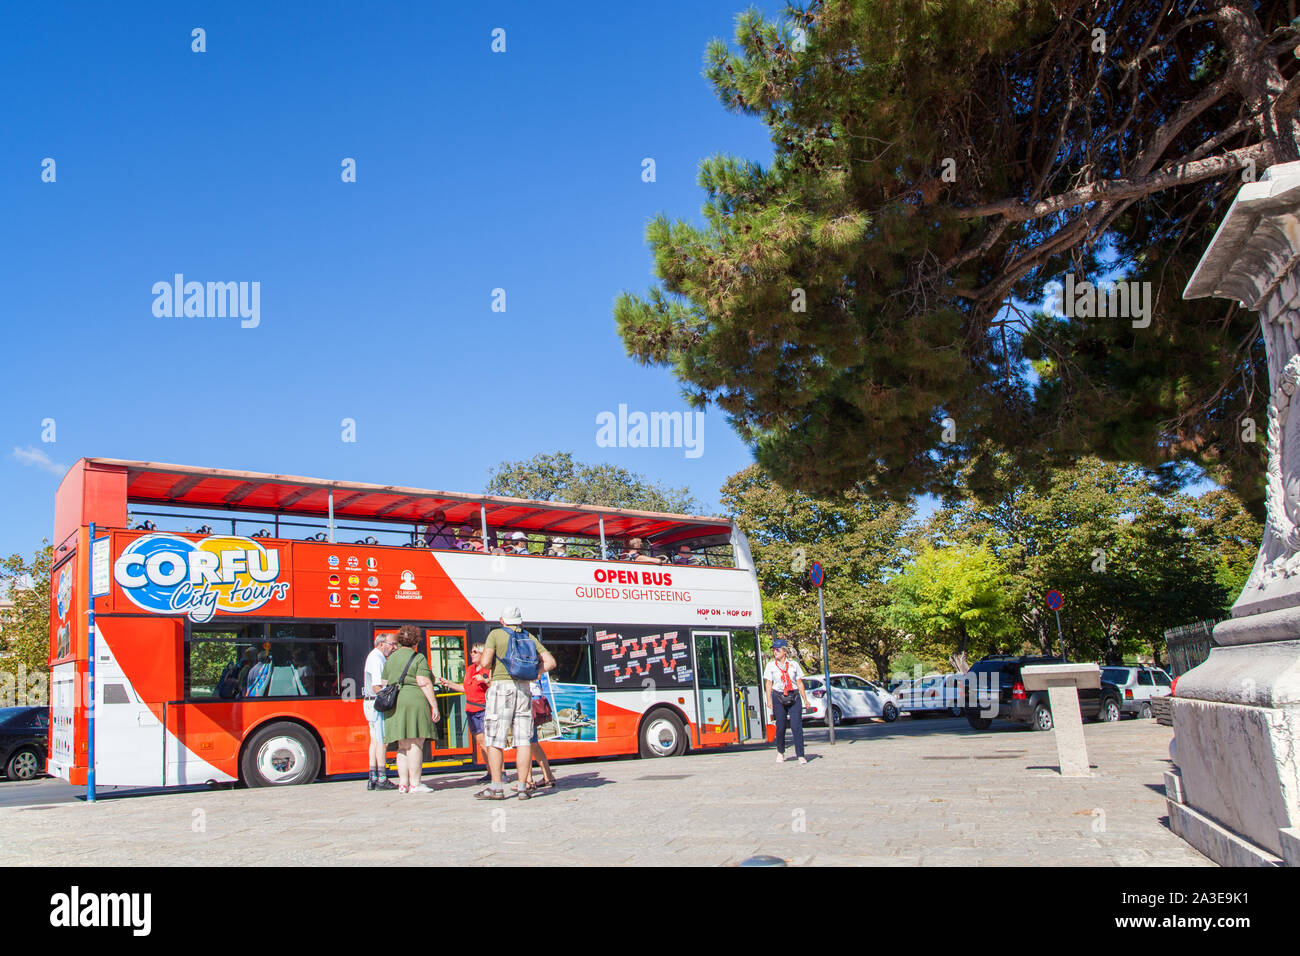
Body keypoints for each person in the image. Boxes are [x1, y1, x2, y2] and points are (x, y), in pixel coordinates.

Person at [476, 605, 556, 800]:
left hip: (501, 689)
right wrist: (534, 673)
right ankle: (522, 787)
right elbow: (551, 662)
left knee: (495, 740)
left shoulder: (495, 634)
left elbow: (485, 662)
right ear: (520, 621)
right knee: (523, 740)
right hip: (524, 690)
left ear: (502, 620)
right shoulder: (529, 636)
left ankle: (496, 787)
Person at [382, 624, 441, 793]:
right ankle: (415, 784)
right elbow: (423, 681)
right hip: (414, 701)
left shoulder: (390, 658)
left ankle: (403, 783)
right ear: (416, 641)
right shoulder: (418, 657)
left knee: (402, 745)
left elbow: (385, 684)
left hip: (397, 703)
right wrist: (434, 705)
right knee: (415, 743)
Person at [436, 641, 491, 783]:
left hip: (483, 709)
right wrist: (448, 683)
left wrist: (485, 680)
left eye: (475, 652)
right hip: (471, 709)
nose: (471, 654)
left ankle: (498, 771)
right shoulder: (470, 669)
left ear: (482, 653)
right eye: (471, 652)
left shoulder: (487, 669)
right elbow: (466, 688)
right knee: (481, 743)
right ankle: (490, 771)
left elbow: (494, 686)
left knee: (487, 742)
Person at [763, 639, 809, 764]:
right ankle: (780, 752)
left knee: (796, 726)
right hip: (778, 696)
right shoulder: (771, 666)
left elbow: (799, 683)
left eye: (777, 649)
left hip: (793, 695)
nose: (775, 652)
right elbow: (768, 684)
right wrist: (768, 700)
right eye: (773, 650)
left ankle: (800, 754)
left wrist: (805, 699)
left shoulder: (794, 665)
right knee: (781, 726)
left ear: (784, 651)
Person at [363, 632, 399, 790]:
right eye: (392, 644)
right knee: (382, 741)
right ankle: (382, 778)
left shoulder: (373, 656)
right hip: (377, 704)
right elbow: (377, 686)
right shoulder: (377, 659)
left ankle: (373, 776)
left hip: (370, 703)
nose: (394, 648)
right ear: (381, 644)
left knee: (375, 741)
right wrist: (389, 699)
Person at [526, 678, 558, 791]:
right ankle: (548, 776)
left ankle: (528, 780)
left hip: (527, 698)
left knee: (526, 743)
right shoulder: (535, 660)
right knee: (532, 743)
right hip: (533, 696)